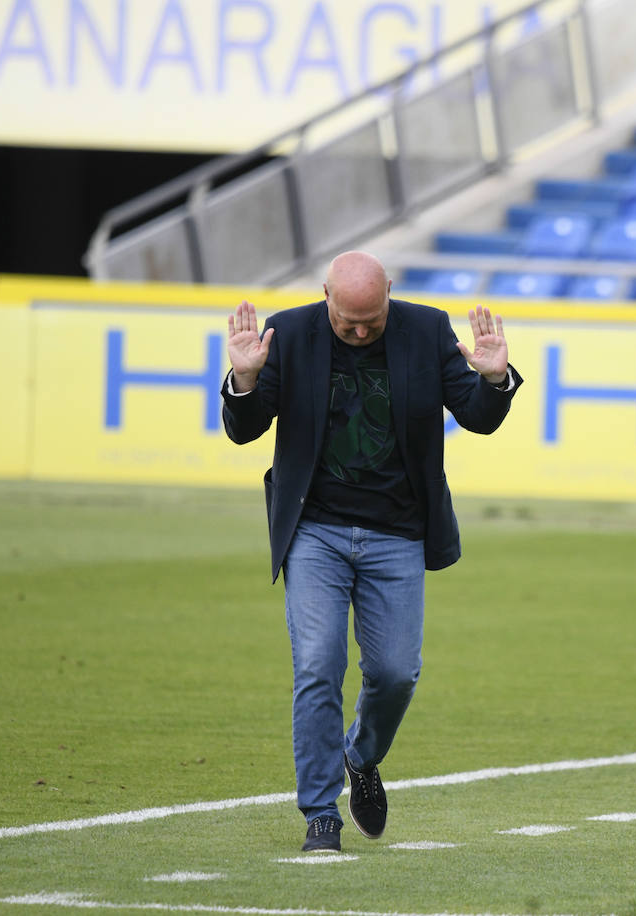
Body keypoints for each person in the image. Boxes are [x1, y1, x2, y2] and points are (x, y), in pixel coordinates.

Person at [221, 251, 522, 851]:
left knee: (394, 674)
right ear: (326, 295)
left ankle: (362, 754)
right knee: (316, 667)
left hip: (397, 532)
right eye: (347, 320)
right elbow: (244, 428)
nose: (359, 331)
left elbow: (477, 418)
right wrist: (247, 380)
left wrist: (492, 379)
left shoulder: (428, 328)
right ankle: (319, 814)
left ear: (388, 292)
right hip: (315, 531)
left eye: (372, 319)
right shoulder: (291, 332)